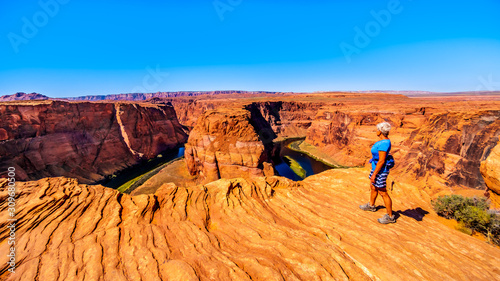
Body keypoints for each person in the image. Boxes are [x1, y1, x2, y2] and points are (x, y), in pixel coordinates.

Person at [359, 122, 396, 224]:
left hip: (380, 170)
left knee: (382, 192)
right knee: (373, 186)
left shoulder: (384, 143)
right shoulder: (382, 141)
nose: (376, 131)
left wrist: (375, 174)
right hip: (376, 168)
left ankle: (390, 216)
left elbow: (382, 161)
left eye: (377, 129)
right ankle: (371, 205)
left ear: (380, 131)